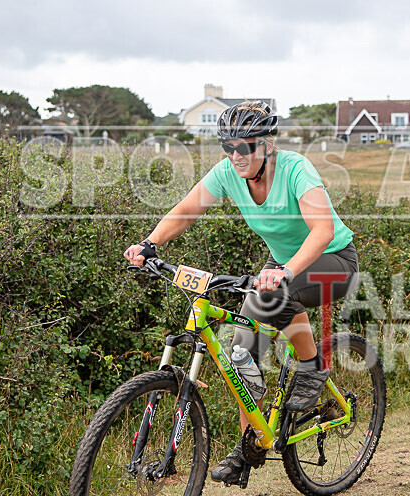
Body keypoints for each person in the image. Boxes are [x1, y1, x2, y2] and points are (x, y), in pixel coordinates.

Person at [123, 101, 358, 484]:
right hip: (283, 265)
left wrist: (285, 271)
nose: (235, 155)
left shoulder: (296, 169)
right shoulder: (228, 173)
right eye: (228, 147)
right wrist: (150, 244)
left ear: (266, 144)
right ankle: (251, 443)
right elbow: (186, 210)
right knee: (243, 354)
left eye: (244, 146)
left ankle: (313, 367)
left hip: (332, 262)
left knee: (275, 294)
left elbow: (322, 231)